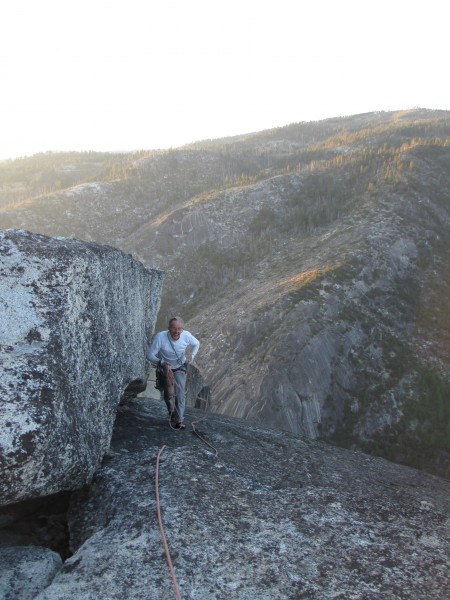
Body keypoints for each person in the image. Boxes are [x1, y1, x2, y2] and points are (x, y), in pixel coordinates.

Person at [147, 317, 200, 429]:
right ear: (169, 329)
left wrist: (192, 356)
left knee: (180, 394)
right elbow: (150, 355)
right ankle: (171, 412)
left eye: (179, 329)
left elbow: (197, 344)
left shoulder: (186, 335)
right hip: (165, 368)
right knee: (168, 394)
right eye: (174, 328)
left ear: (183, 329)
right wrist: (161, 362)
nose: (176, 332)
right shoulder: (161, 337)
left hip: (179, 366)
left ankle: (179, 420)